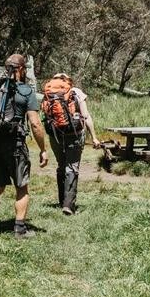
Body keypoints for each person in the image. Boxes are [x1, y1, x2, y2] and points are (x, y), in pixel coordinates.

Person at [0, 54, 48, 240]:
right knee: (21, 187)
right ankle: (20, 229)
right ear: (22, 69)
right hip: (15, 145)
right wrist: (43, 149)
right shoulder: (25, 91)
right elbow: (35, 124)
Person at [41, 73, 102, 216]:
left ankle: (61, 200)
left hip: (55, 135)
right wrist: (94, 137)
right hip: (74, 134)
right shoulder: (76, 92)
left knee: (61, 166)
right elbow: (86, 116)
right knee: (72, 167)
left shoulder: (48, 93)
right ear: (67, 81)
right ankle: (68, 205)